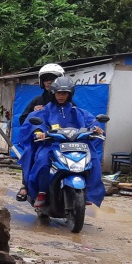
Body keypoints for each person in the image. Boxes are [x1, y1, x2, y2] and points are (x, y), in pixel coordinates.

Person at [23, 75, 106, 209]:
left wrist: (96, 129)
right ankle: (42, 192)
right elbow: (35, 122)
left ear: (70, 94)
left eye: (65, 93)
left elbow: (91, 121)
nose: (61, 96)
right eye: (58, 93)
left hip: (77, 145)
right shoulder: (46, 109)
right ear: (53, 93)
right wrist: (39, 131)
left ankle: (88, 193)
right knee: (42, 161)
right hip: (52, 145)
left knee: (94, 160)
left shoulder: (76, 110)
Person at [14, 63, 64, 201]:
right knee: (29, 153)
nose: (49, 82)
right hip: (42, 142)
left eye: (52, 79)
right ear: (42, 82)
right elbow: (23, 119)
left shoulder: (68, 103)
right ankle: (25, 186)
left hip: (62, 142)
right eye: (46, 79)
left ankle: (85, 190)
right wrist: (33, 113)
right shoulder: (38, 101)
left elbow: (79, 118)